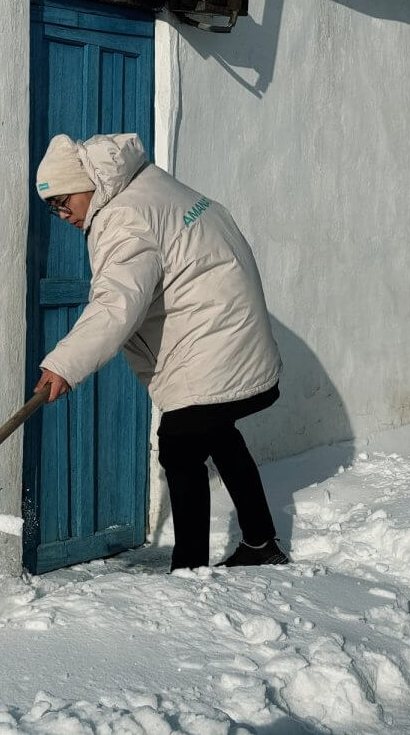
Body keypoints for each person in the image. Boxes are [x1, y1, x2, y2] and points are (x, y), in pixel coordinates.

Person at [32, 132, 287, 571]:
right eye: (52, 208)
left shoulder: (123, 216)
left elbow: (116, 306)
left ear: (87, 183)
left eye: (63, 201)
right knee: (217, 431)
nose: (62, 215)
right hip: (226, 331)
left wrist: (64, 364)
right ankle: (261, 543)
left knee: (180, 446)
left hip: (212, 339)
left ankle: (188, 571)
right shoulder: (148, 183)